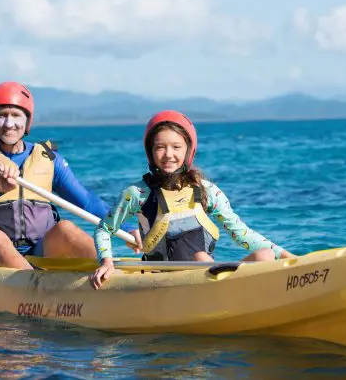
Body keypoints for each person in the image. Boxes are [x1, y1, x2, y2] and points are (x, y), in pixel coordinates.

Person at [89, 110, 294, 289]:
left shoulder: (207, 191)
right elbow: (104, 229)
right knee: (201, 258)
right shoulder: (136, 194)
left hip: (204, 280)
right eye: (160, 147)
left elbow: (242, 234)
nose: (168, 154)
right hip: (160, 284)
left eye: (176, 147)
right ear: (150, 152)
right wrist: (107, 262)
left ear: (188, 150)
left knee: (265, 256)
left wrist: (287, 257)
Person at [0, 81, 132, 270]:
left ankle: (111, 272)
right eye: (2, 115)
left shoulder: (49, 158)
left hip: (39, 253)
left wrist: (125, 229)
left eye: (16, 115)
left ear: (27, 120)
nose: (9, 124)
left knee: (66, 228)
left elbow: (88, 203)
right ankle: (35, 290)